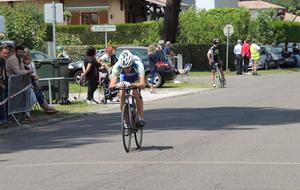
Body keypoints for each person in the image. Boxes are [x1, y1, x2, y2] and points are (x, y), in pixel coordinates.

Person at [109, 50, 146, 127]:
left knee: (135, 92)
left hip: (135, 78)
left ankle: (141, 118)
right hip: (124, 78)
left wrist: (132, 85)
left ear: (132, 63)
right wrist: (118, 85)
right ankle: (126, 122)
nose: (126, 69)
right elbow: (111, 85)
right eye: (124, 68)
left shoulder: (138, 65)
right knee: (121, 94)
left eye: (128, 67)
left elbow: (142, 84)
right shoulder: (117, 66)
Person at [0, 46, 9, 122]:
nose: (6, 55)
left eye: (7, 53)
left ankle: (4, 117)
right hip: (2, 84)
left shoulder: (4, 61)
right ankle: (2, 118)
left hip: (4, 83)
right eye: (4, 53)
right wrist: (1, 84)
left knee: (4, 101)